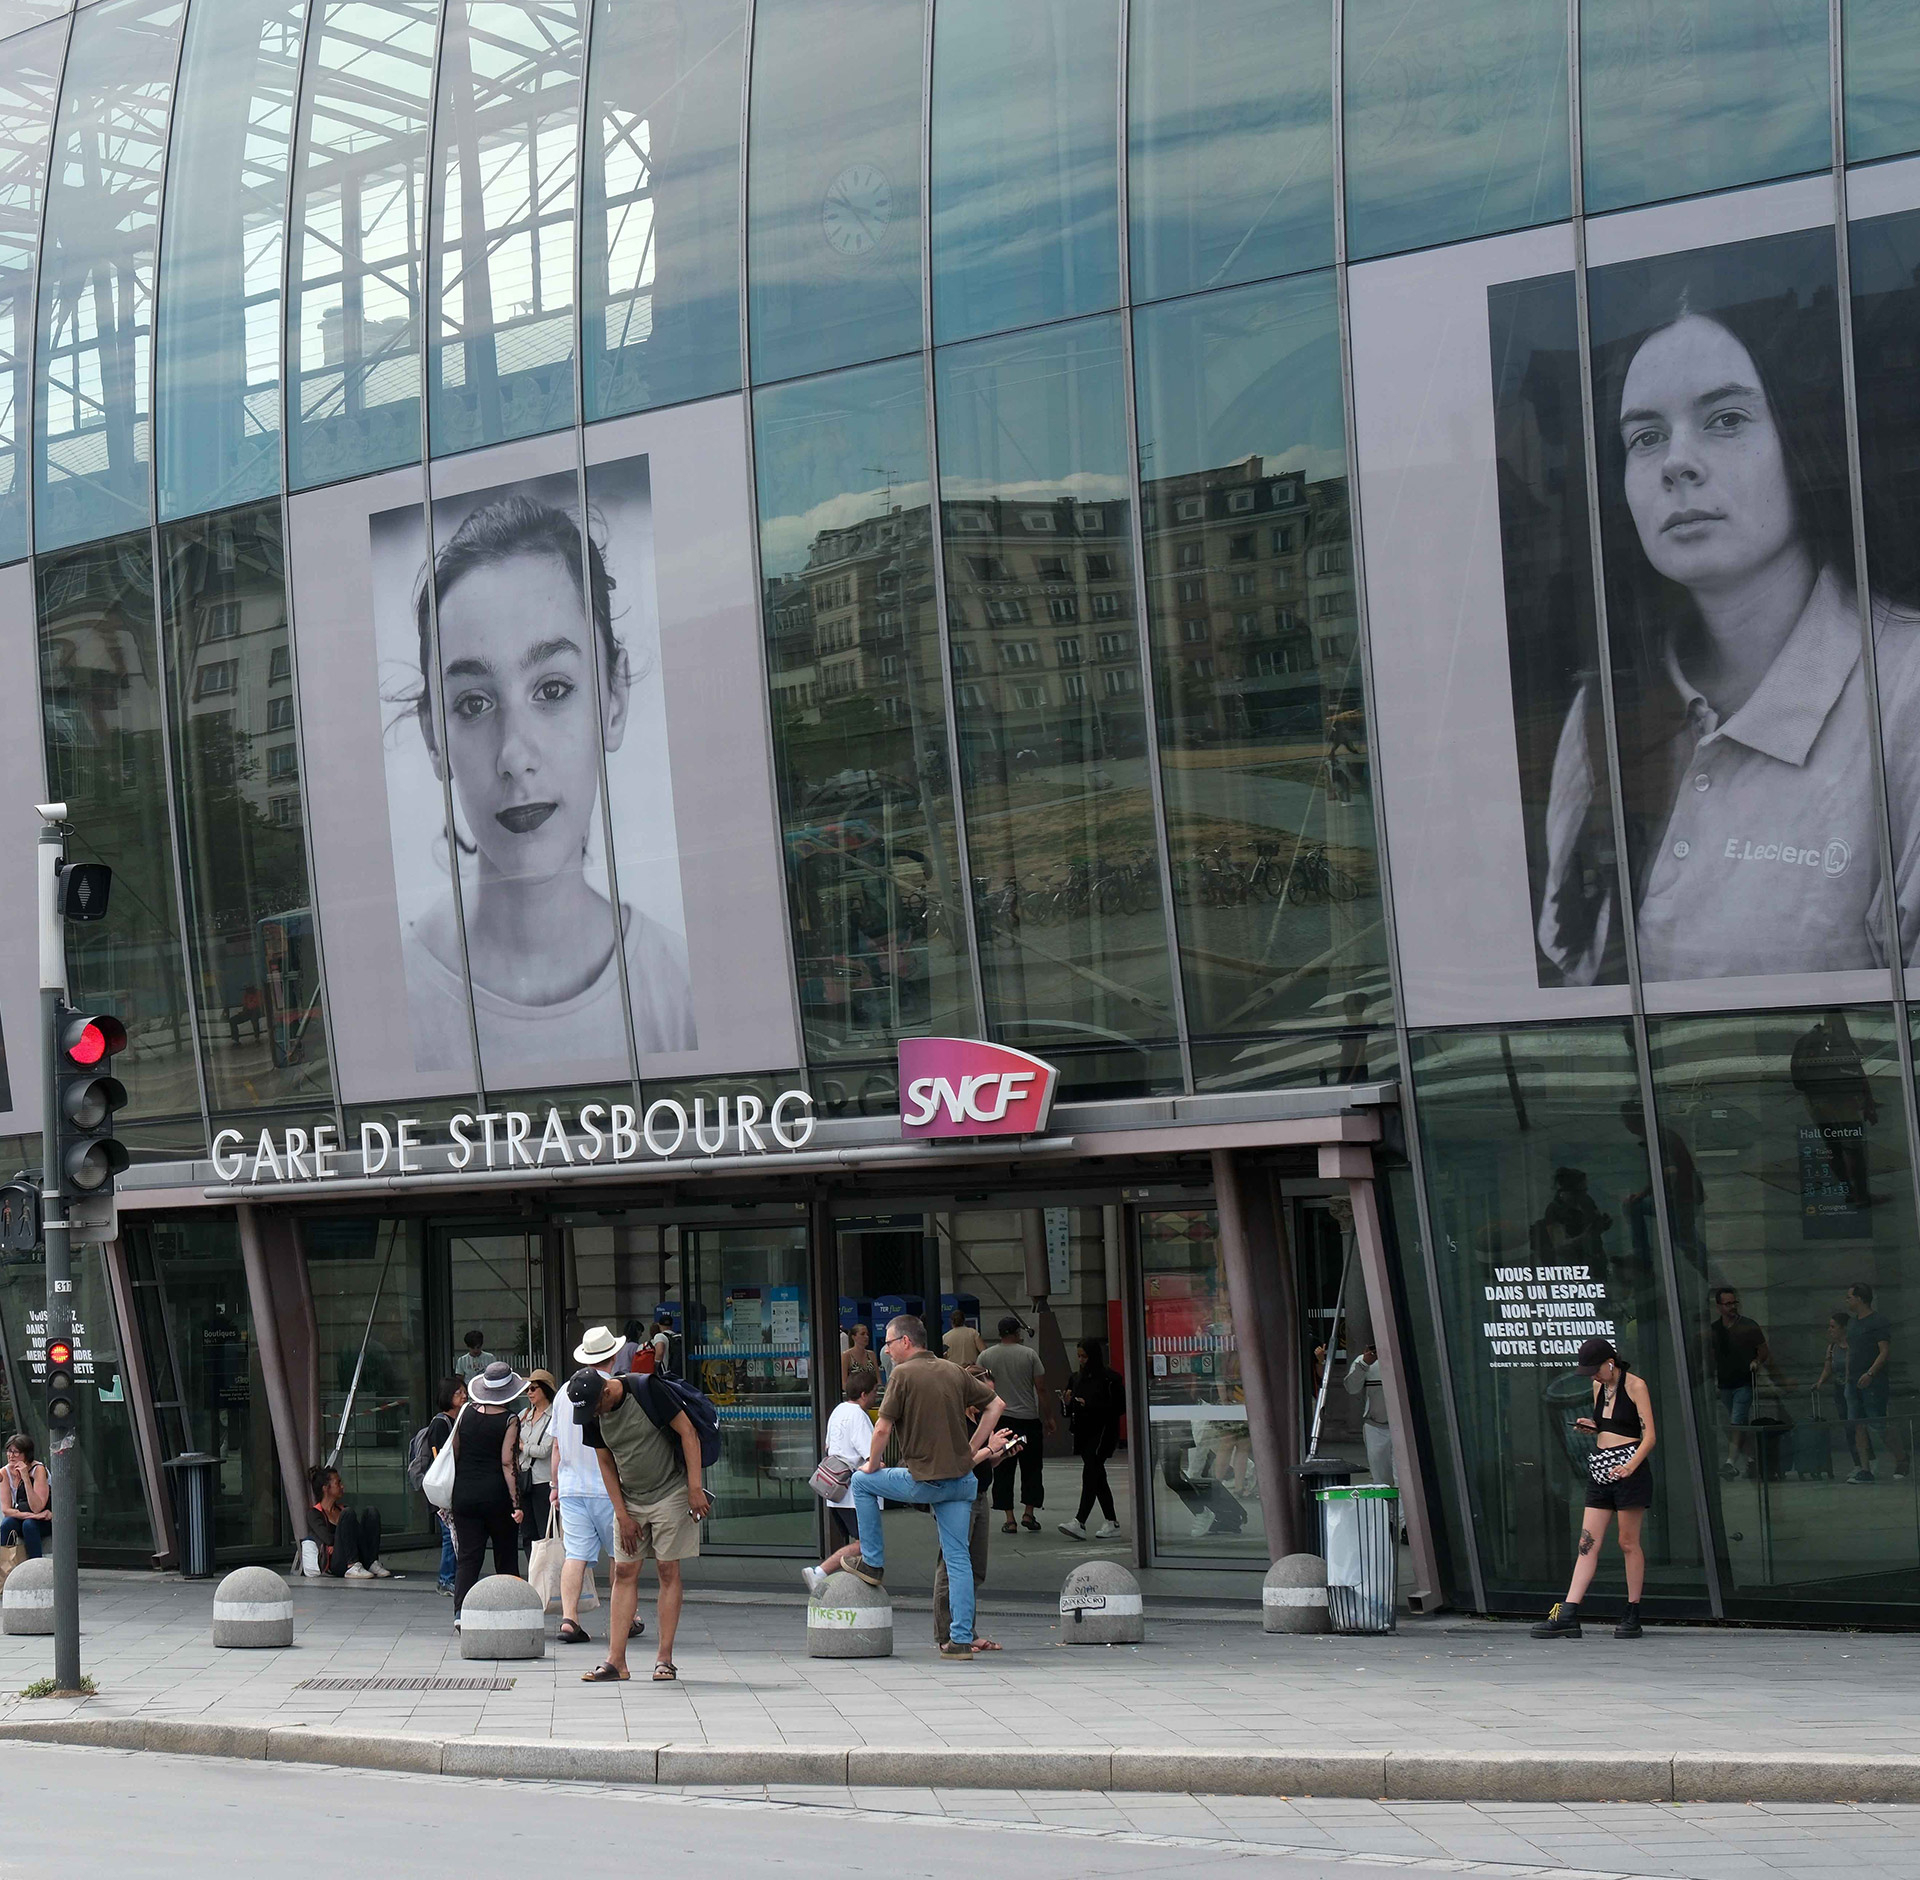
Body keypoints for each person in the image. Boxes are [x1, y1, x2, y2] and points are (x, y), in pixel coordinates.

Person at [1537, 288, 1908, 985]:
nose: (1676, 462)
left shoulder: (1907, 692)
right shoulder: (1604, 706)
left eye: (1727, 419)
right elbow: (1572, 979)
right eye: (1645, 437)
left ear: (1802, 439)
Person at [400, 494, 696, 1073]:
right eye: (474, 703)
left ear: (614, 701)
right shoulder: (393, 1008)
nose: (514, 755)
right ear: (435, 736)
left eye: (553, 690)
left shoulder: (682, 991)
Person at [848, 1314, 1005, 1660]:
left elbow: (882, 1428)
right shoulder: (953, 1370)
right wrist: (971, 1449)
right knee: (959, 1560)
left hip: (926, 1479)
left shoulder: (902, 1374)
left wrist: (872, 1465)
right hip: (962, 1482)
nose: (886, 1351)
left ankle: (872, 1562)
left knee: (860, 1482)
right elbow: (996, 1404)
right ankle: (959, 1640)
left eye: (889, 1344)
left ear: (905, 1342)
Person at [570, 1361, 709, 1683]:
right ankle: (616, 1661)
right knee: (624, 1570)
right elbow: (605, 1462)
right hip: (630, 1497)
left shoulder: (647, 1390)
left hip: (671, 1490)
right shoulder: (591, 1412)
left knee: (667, 1569)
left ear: (607, 1392)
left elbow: (688, 1432)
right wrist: (621, 1513)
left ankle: (664, 1660)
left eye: (596, 1408)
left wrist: (694, 1488)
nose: (594, 1415)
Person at [1532, 1336, 1656, 1640]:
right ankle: (1569, 1611)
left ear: (1610, 1363)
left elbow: (1649, 1436)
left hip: (1629, 1467)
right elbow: (1611, 1425)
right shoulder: (1599, 1386)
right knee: (1587, 1543)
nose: (1594, 1376)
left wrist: (1630, 1466)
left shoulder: (1635, 1385)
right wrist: (1593, 1426)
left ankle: (1632, 1611)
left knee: (1628, 1542)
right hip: (1601, 1466)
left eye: (1596, 1370)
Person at [551, 1327, 641, 1648]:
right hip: (608, 1488)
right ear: (613, 1355)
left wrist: (554, 1485)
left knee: (575, 1555)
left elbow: (556, 1446)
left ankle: (569, 1618)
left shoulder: (564, 1392)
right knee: (620, 1554)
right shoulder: (612, 1391)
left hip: (571, 1486)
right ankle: (625, 1618)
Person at [448, 1361, 526, 1628]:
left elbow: (455, 1451)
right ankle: (511, 1611)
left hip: (464, 1493)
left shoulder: (465, 1413)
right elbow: (508, 1462)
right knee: (505, 1555)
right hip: (496, 1496)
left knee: (468, 1557)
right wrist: (516, 1503)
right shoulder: (510, 1419)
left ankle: (460, 1613)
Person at [935, 1396, 1014, 1654]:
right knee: (952, 1566)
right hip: (959, 1496)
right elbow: (961, 1462)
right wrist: (990, 1448)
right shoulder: (956, 1421)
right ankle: (947, 1633)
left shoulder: (979, 1420)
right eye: (984, 1394)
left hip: (980, 1493)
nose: (988, 1401)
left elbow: (983, 1462)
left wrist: (1000, 1453)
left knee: (975, 1569)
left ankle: (967, 1630)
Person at [801, 1365, 880, 1595]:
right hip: (854, 1492)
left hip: (834, 1488)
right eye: (875, 1391)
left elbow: (829, 1446)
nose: (876, 1396)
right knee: (866, 1543)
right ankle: (820, 1572)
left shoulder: (838, 1411)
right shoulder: (859, 1416)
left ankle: (853, 1585)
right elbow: (870, 1454)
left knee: (859, 1542)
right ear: (864, 1394)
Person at [1792, 1014, 1883, 1208]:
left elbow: (1798, 1081)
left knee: (1833, 1147)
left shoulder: (1807, 1040)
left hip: (1815, 1102)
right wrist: (1868, 1103)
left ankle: (1849, 1191)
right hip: (1841, 1101)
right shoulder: (1840, 1039)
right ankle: (1861, 1196)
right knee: (1854, 1148)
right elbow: (1858, 1073)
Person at [978, 1315, 1053, 1533]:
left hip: (1001, 1420)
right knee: (1032, 1468)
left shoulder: (986, 1356)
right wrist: (1048, 1417)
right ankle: (1029, 1513)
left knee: (1003, 1469)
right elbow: (1041, 1388)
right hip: (1028, 1420)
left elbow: (979, 1387)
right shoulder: (1029, 1354)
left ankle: (1009, 1519)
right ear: (1017, 1333)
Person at [1705, 1287, 1775, 1479]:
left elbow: (1763, 1350)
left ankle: (1730, 1463)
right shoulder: (1715, 1329)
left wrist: (1757, 1361)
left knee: (1737, 1421)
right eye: (1728, 1304)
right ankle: (1752, 1459)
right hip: (1725, 1383)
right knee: (1739, 1424)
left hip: (1744, 1382)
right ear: (1719, 1307)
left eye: (1734, 1302)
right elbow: (1711, 1355)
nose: (1732, 1307)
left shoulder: (1748, 1325)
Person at [1057, 1340, 1123, 1540]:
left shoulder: (1110, 1378)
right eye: (1079, 1356)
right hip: (1084, 1431)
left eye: (1084, 1356)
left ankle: (1080, 1520)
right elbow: (1067, 1411)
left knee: (1091, 1471)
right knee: (1097, 1474)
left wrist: (1089, 1404)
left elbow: (1119, 1406)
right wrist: (1068, 1403)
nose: (1081, 1360)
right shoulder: (1076, 1378)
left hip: (1103, 1432)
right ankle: (1111, 1521)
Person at [1844, 1281, 1907, 1482]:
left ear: (1859, 1298)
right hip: (1853, 1380)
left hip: (1873, 1381)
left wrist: (1870, 1373)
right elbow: (1850, 1350)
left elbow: (1884, 1351)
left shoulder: (1878, 1321)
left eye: (1849, 1297)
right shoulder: (1852, 1323)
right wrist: (1848, 1375)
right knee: (1858, 1424)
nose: (1847, 1300)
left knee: (1878, 1423)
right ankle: (1865, 1469)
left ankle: (1901, 1458)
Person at [304, 1465, 390, 1579]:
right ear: (326, 1488)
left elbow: (357, 1536)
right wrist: (343, 1537)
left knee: (371, 1512)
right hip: (337, 1562)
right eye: (338, 1483)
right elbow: (328, 1539)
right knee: (348, 1513)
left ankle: (371, 1562)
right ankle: (352, 1565)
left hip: (355, 1554)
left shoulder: (342, 1509)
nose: (342, 1486)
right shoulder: (314, 1513)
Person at [426, 1376, 466, 1595]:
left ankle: (451, 1577)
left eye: (464, 1391)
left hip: (453, 1486)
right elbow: (440, 1458)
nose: (464, 1396)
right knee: (449, 1535)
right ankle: (446, 1578)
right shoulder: (441, 1423)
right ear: (447, 1396)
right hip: (443, 1488)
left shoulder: (457, 1419)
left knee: (453, 1534)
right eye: (458, 1393)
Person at [1343, 1343, 1398, 1490]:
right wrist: (1364, 1364)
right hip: (1376, 1425)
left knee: (1403, 1477)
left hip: (1403, 1427)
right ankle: (1386, 1505)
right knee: (1381, 1479)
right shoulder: (1365, 1361)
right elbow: (1351, 1388)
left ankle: (1402, 1507)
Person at [519, 1370, 557, 1558]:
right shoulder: (524, 1414)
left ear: (545, 1390)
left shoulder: (553, 1416)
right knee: (527, 1533)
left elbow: (544, 1450)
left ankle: (548, 1570)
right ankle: (533, 1569)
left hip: (544, 1481)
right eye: (528, 1389)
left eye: (533, 1388)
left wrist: (522, 1446)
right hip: (524, 1479)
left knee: (546, 1532)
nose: (529, 1392)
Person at [0, 1434, 50, 1560]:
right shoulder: (4, 1472)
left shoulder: (38, 1469)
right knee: (6, 1524)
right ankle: (4, 1566)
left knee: (29, 1525)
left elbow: (37, 1507)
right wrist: (35, 1516)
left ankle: (35, 1565)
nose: (11, 1456)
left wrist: (26, 1478)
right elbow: (6, 1510)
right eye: (9, 1451)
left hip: (44, 1520)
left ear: (26, 1454)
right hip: (29, 1515)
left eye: (16, 1452)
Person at [840, 1320, 878, 1389]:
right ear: (854, 1337)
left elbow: (878, 1380)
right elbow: (844, 1383)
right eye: (862, 1334)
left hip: (871, 1392)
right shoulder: (846, 1356)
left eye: (867, 1334)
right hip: (854, 1393)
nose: (866, 1337)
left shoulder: (871, 1354)